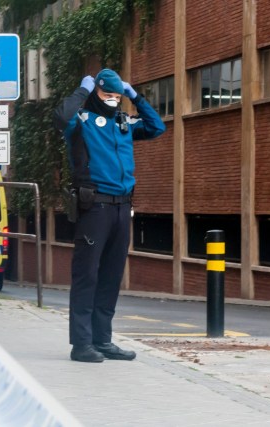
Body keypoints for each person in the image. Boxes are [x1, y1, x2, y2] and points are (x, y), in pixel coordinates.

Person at [53, 68, 166, 363]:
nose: (114, 101)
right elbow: (61, 116)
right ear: (95, 93)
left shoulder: (123, 123)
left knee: (111, 277)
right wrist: (81, 91)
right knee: (87, 276)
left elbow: (157, 128)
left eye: (117, 97)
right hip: (95, 208)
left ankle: (103, 341)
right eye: (108, 95)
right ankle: (81, 344)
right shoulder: (82, 123)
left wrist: (135, 96)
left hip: (122, 207)